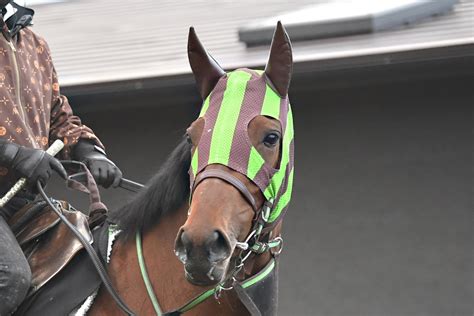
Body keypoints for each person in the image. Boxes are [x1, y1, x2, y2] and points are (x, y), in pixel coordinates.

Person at [0, 1, 123, 314]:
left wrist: (89, 151)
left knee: (91, 253)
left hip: (22, 200)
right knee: (10, 276)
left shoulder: (35, 45)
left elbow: (58, 114)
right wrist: (12, 153)